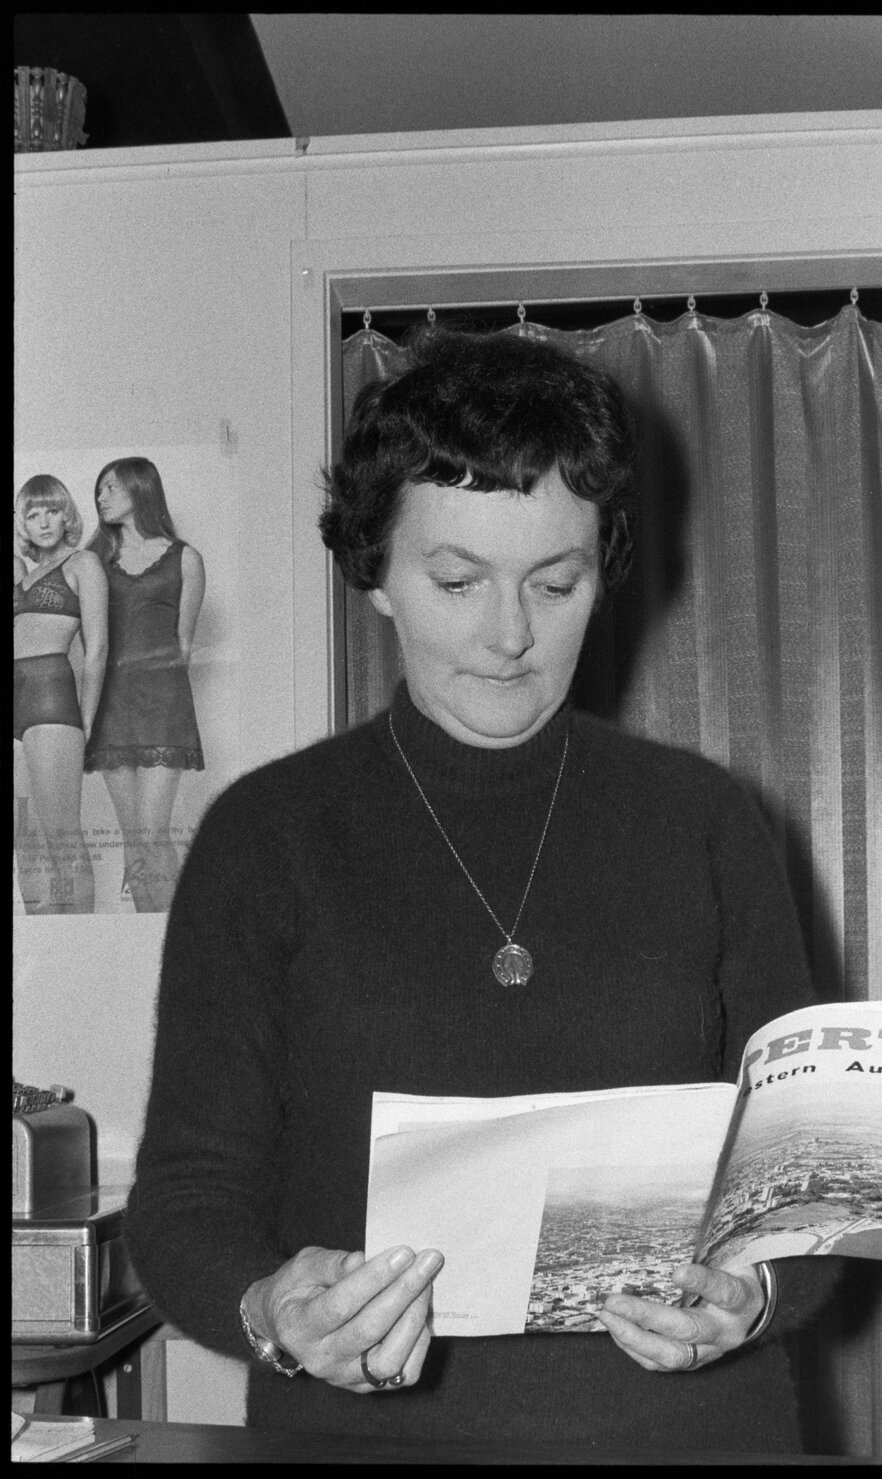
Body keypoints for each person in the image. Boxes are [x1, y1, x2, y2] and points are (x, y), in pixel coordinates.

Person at [125, 329, 840, 1454]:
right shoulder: (266, 838)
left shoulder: (707, 821)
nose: (510, 635)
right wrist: (271, 1311)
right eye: (458, 581)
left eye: (556, 582)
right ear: (375, 574)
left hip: (692, 1436)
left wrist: (754, 1297)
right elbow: (184, 1201)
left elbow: (808, 1182)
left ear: (602, 574)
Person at [84, 457, 205, 913]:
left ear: (140, 488)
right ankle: (145, 937)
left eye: (110, 488)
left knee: (153, 834)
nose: (101, 497)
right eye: (99, 490)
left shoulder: (185, 558)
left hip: (164, 705)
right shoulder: (95, 561)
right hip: (112, 706)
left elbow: (184, 646)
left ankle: (174, 936)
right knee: (134, 837)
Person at [14, 475, 108, 913]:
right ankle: (42, 943)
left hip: (51, 697)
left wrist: (86, 721)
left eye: (52, 510)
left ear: (66, 513)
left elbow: (97, 648)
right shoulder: (23, 574)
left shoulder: (82, 563)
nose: (44, 522)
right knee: (25, 839)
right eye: (32, 514)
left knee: (62, 837)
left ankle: (81, 943)